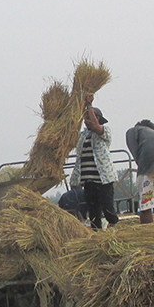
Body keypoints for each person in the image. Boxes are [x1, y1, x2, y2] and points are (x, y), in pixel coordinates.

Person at [68, 94, 119, 229]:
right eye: (85, 118)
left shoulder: (104, 132)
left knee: (108, 208)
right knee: (93, 211)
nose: (87, 120)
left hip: (103, 178)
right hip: (88, 179)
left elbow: (95, 126)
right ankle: (97, 235)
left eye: (90, 116)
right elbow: (78, 159)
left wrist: (89, 105)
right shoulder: (83, 136)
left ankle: (113, 227)